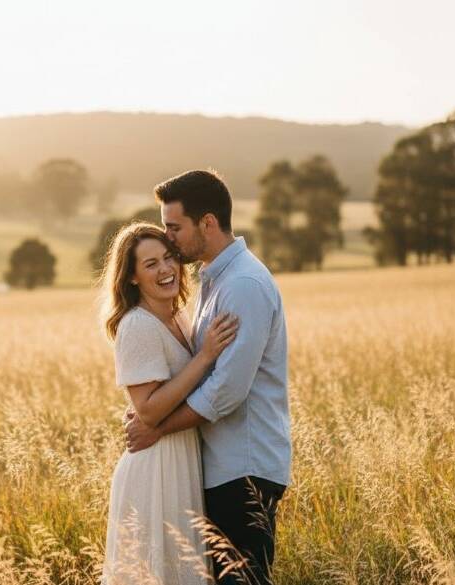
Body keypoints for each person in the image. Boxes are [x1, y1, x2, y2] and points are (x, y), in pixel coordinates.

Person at [125, 169, 292, 585]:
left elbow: (226, 392)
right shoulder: (214, 281)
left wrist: (157, 429)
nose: (169, 238)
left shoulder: (243, 285)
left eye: (174, 228)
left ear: (209, 223)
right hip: (222, 467)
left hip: (244, 468)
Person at [100, 222, 239, 585]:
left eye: (168, 258)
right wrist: (205, 355)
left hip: (180, 460)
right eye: (150, 264)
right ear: (131, 277)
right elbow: (147, 410)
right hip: (155, 470)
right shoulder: (137, 325)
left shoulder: (178, 315)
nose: (165, 270)